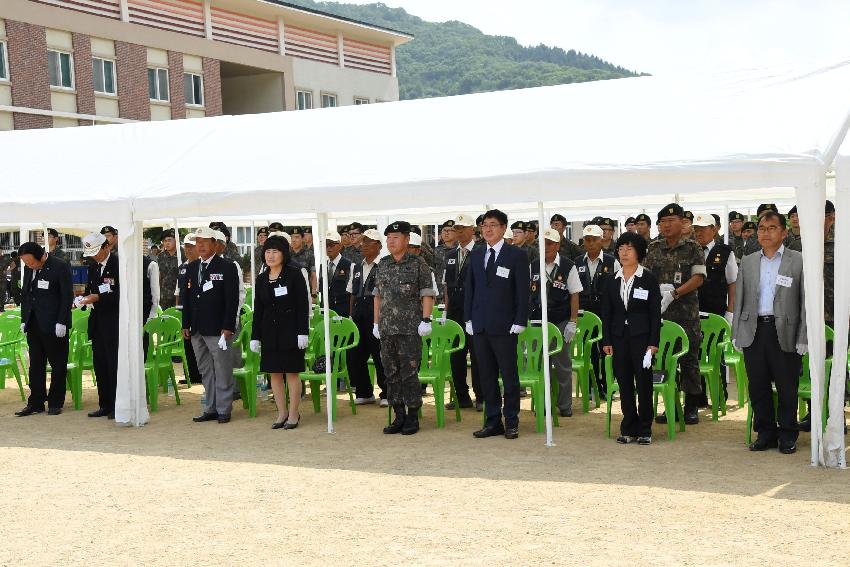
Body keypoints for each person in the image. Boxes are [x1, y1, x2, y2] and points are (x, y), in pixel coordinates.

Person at [733, 211, 806, 454]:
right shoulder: (750, 260)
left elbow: (806, 302)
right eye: (762, 228)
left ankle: (787, 433)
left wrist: (803, 336)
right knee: (758, 385)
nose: (765, 232)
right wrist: (736, 332)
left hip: (784, 330)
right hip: (754, 329)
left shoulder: (798, 260)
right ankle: (765, 432)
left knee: (787, 385)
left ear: (784, 233)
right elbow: (740, 298)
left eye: (772, 228)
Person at [464, 209, 530, 439]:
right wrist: (468, 318)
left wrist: (521, 320)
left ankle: (511, 420)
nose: (488, 229)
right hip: (480, 325)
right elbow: (469, 289)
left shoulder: (516, 255)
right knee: (486, 376)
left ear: (504, 228)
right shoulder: (476, 254)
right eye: (484, 225)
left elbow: (523, 291)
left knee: (509, 376)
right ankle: (493, 421)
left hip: (505, 326)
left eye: (493, 225)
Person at [644, 203, 706, 425]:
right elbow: (646, 276)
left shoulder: (693, 248)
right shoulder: (654, 247)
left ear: (682, 222)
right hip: (660, 315)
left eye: (671, 221)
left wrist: (675, 293)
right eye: (663, 222)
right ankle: (670, 406)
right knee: (664, 360)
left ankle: (691, 408)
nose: (667, 225)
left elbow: (698, 278)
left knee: (689, 362)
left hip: (686, 314)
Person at [373, 221, 436, 435]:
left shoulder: (419, 264)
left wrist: (426, 319)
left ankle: (412, 416)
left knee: (409, 374)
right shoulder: (382, 264)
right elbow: (377, 296)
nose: (391, 241)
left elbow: (427, 293)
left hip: (410, 329)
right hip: (387, 328)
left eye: (396, 237)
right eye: (388, 237)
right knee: (391, 373)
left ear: (407, 239)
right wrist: (376, 323)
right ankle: (398, 414)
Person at [601, 232, 662, 445]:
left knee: (644, 384)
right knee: (624, 383)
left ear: (639, 252)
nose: (624, 253)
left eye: (629, 248)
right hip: (618, 338)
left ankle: (645, 428)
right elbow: (606, 313)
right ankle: (628, 427)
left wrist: (653, 343)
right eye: (621, 249)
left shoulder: (648, 279)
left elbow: (655, 314)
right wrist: (606, 340)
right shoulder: (611, 280)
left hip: (642, 339)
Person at [250, 235, 310, 429]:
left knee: (292, 373)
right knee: (274, 373)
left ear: (284, 253)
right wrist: (255, 336)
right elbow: (258, 309)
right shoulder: (261, 279)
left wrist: (303, 331)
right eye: (268, 251)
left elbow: (303, 305)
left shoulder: (294, 274)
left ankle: (294, 413)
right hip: (269, 332)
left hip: (291, 331)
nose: (271, 255)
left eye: (275, 251)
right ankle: (281, 412)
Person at [181, 226, 240, 424]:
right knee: (205, 369)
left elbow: (232, 301)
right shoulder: (191, 267)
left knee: (222, 369)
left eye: (205, 241)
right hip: (197, 328)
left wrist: (228, 327)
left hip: (218, 328)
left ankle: (224, 408)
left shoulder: (226, 267)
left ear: (215, 244)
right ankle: (210, 407)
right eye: (198, 242)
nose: (201, 245)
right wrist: (185, 323)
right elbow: (187, 299)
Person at [14, 242, 73, 417]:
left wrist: (62, 321)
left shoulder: (59, 266)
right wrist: (25, 319)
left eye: (31, 262)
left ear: (40, 256)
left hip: (54, 325)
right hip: (34, 324)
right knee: (36, 366)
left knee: (58, 365)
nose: (29, 266)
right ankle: (36, 402)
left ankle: (55, 402)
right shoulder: (29, 270)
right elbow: (25, 295)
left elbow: (66, 295)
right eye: (26, 263)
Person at [529, 228, 583, 418]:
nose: (546, 247)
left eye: (550, 243)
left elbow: (574, 294)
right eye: (543, 244)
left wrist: (573, 321)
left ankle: (565, 405)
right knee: (541, 364)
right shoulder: (534, 265)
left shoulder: (568, 265)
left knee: (563, 364)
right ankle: (543, 403)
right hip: (538, 321)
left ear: (558, 245)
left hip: (560, 320)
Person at [692, 213, 737, 402]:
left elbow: (733, 282)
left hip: (716, 311)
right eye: (696, 229)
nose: (699, 232)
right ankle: (699, 395)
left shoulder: (725, 252)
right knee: (696, 353)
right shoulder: (691, 250)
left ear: (714, 229)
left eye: (703, 228)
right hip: (693, 311)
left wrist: (730, 310)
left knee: (716, 353)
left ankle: (720, 395)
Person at [76, 232, 120, 419]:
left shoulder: (118, 264)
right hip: (97, 323)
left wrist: (99, 297)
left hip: (113, 322)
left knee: (113, 365)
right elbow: (90, 290)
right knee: (100, 365)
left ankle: (118, 404)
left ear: (106, 247)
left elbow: (120, 294)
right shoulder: (93, 267)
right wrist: (83, 298)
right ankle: (105, 404)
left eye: (97, 252)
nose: (94, 256)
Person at [574, 224, 620, 400]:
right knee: (589, 351)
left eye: (595, 239)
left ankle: (608, 385)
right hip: (585, 315)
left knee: (607, 351)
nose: (591, 243)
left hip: (605, 312)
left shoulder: (612, 262)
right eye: (587, 240)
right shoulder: (577, 262)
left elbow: (617, 289)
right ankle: (593, 386)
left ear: (602, 240)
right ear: (583, 242)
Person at [442, 214, 482, 410]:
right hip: (456, 312)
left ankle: (481, 396)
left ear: (472, 230)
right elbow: (447, 287)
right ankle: (461, 396)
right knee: (456, 355)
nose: (459, 231)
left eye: (463, 228)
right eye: (456, 228)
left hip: (475, 312)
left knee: (478, 355)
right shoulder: (450, 255)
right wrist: (446, 312)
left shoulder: (481, 253)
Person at [347, 229, 387, 405]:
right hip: (358, 315)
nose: (364, 245)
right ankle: (364, 391)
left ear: (378, 245)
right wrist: (350, 315)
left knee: (380, 356)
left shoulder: (385, 265)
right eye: (363, 242)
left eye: (368, 242)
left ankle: (386, 393)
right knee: (357, 355)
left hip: (377, 316)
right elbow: (352, 293)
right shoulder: (357, 267)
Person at [175, 232, 202, 386]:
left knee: (200, 344)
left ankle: (201, 374)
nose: (188, 250)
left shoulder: (202, 265)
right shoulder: (183, 267)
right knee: (187, 343)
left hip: (199, 310)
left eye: (191, 246)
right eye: (186, 247)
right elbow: (178, 290)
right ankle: (191, 374)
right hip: (186, 310)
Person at [319, 230, 353, 317]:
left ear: (340, 246)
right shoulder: (323, 266)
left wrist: (350, 314)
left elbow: (352, 293)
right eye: (326, 245)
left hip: (342, 313)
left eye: (331, 245)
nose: (328, 248)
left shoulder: (349, 265)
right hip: (326, 313)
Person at [289, 227, 317, 299]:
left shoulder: (309, 254)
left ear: (302, 239)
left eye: (297, 237)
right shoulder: (286, 254)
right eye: (292, 237)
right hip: (289, 292)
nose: (293, 240)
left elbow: (313, 275)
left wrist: (313, 294)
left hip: (305, 291)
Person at [156, 228, 179, 309]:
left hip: (178, 297)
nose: (167, 243)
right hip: (164, 297)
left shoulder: (182, 255)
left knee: (179, 319)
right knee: (164, 320)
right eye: (165, 241)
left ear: (176, 241)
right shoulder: (160, 256)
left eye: (169, 240)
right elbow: (158, 276)